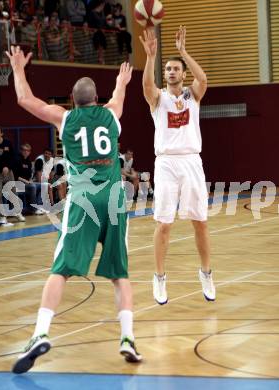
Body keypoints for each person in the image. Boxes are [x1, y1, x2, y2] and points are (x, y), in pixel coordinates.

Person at [6, 45, 142, 374]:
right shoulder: (111, 114)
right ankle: (127, 338)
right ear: (97, 98)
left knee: (61, 268)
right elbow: (119, 98)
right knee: (120, 273)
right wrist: (122, 82)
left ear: (72, 97)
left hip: (82, 199)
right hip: (112, 199)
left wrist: (19, 69)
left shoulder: (64, 117)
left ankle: (40, 331)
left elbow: (26, 101)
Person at [139, 27, 216, 304]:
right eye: (168, 68)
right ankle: (159, 278)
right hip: (167, 163)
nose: (171, 71)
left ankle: (206, 273)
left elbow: (203, 78)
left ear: (183, 74)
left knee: (201, 222)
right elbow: (147, 86)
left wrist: (184, 52)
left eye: (176, 69)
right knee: (163, 224)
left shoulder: (192, 96)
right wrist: (150, 57)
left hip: (192, 161)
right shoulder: (158, 98)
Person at [0, 125, 25, 225]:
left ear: (1, 133)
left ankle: (17, 212)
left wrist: (7, 166)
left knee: (13, 192)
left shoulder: (8, 143)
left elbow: (15, 158)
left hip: (8, 172)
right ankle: (2, 216)